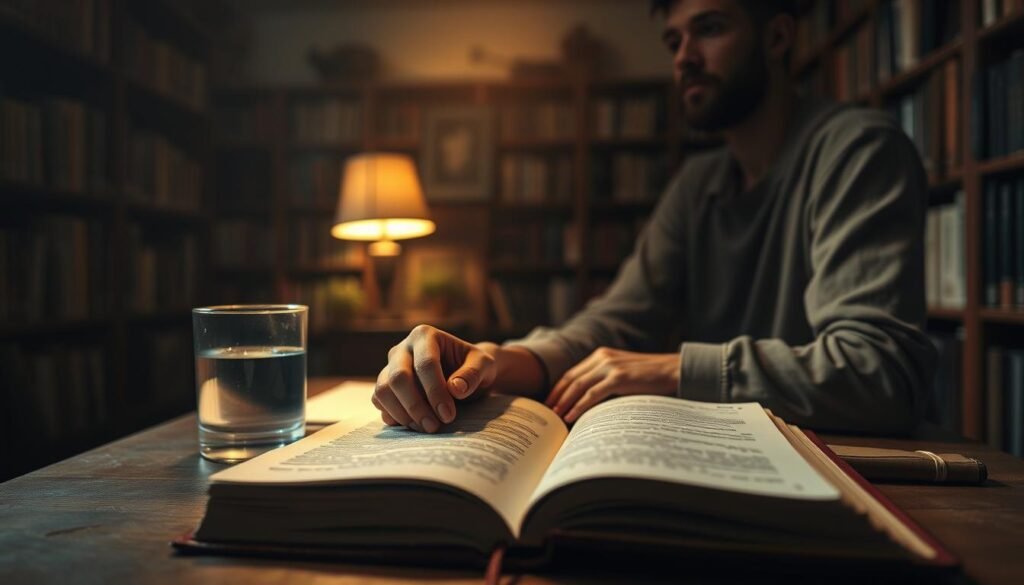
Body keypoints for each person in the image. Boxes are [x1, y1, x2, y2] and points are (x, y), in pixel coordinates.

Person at [371, 0, 936, 435]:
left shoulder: (858, 151)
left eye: (709, 29)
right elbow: (614, 322)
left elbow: (878, 372)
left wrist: (670, 370)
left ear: (778, 36)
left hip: (845, 475)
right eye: (673, 39)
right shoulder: (698, 185)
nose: (684, 56)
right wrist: (497, 359)